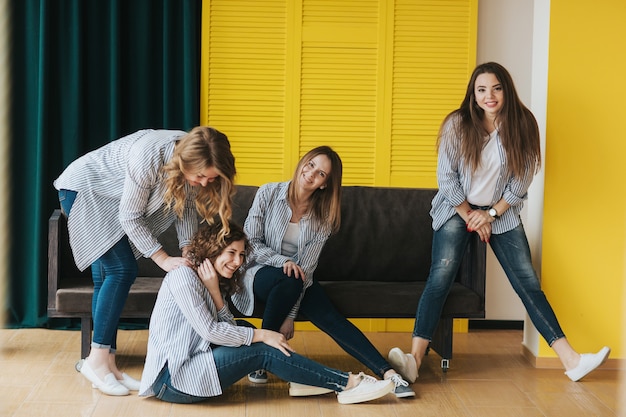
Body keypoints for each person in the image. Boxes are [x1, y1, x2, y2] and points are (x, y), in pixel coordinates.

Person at [388, 62, 610, 383]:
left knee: (528, 284)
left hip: (500, 213)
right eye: (481, 90)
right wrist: (472, 216)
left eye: (496, 88)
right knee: (441, 278)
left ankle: (572, 360)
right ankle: (415, 360)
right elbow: (446, 178)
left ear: (506, 89)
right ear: (473, 94)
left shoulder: (523, 124)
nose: (489, 96)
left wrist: (490, 214)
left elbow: (523, 178)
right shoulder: (457, 124)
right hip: (456, 209)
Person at [54, 126, 237, 396]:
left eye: (210, 179)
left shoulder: (188, 156)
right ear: (187, 163)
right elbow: (129, 217)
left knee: (105, 276)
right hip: (84, 189)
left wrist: (188, 249)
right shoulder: (150, 155)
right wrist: (162, 258)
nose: (204, 183)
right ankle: (96, 360)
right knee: (122, 268)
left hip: (107, 195)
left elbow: (184, 208)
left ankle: (106, 363)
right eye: (200, 176)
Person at [139, 221, 394, 404]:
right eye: (231, 253)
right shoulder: (184, 277)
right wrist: (264, 335)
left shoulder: (208, 278)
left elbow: (226, 325)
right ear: (213, 249)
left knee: (248, 330)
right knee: (262, 348)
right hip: (174, 379)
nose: (238, 262)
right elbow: (211, 331)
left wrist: (216, 293)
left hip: (190, 363)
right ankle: (347, 383)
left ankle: (306, 379)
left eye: (241, 255)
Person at [231, 146, 414, 398]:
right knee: (288, 276)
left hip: (298, 280)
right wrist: (283, 261)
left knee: (330, 318)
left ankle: (389, 373)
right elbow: (250, 244)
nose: (310, 174)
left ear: (324, 185)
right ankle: (266, 352)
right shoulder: (269, 192)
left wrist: (290, 313)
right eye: (310, 165)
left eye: (320, 174)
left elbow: (305, 267)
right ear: (302, 163)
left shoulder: (323, 216)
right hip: (258, 272)